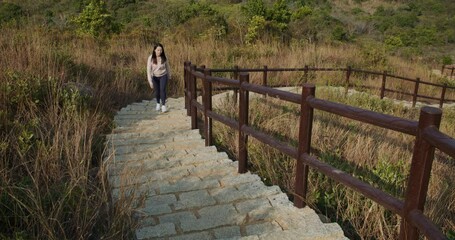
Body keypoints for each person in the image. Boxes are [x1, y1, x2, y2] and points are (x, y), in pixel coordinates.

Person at [147, 43, 171, 113]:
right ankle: (158, 103)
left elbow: (167, 67)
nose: (159, 52)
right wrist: (150, 81)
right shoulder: (151, 58)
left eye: (161, 50)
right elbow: (148, 70)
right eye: (158, 50)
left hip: (163, 75)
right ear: (154, 50)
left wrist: (169, 75)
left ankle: (163, 105)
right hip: (155, 77)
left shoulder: (164, 57)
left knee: (162, 90)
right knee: (157, 91)